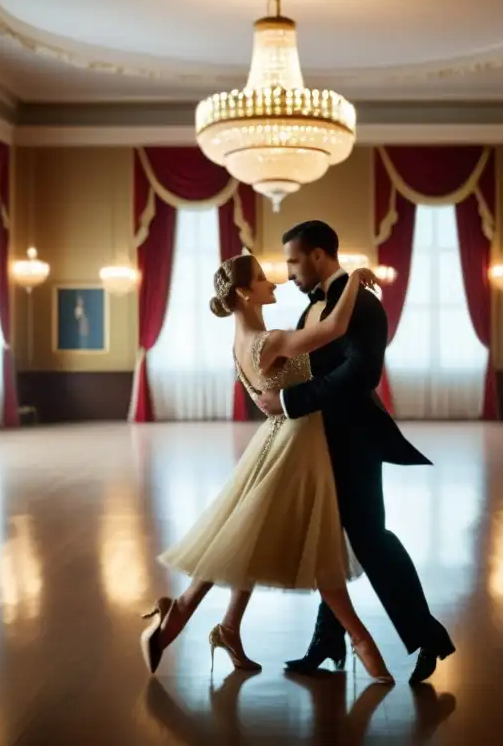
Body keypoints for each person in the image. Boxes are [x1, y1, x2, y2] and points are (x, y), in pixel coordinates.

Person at [140, 254, 394, 684]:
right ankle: (362, 642)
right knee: (313, 545)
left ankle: (211, 624)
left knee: (246, 535)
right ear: (244, 292)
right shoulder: (269, 340)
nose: (272, 280)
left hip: (276, 439)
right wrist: (354, 281)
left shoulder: (242, 342)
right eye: (261, 278)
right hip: (295, 443)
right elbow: (332, 330)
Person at [253, 220, 455, 685]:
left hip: (355, 438)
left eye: (293, 261)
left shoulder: (363, 303)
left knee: (369, 537)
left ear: (319, 255)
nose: (287, 273)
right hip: (316, 439)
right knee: (329, 540)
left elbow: (361, 375)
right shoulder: (317, 308)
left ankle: (428, 636)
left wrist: (288, 402)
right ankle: (327, 643)